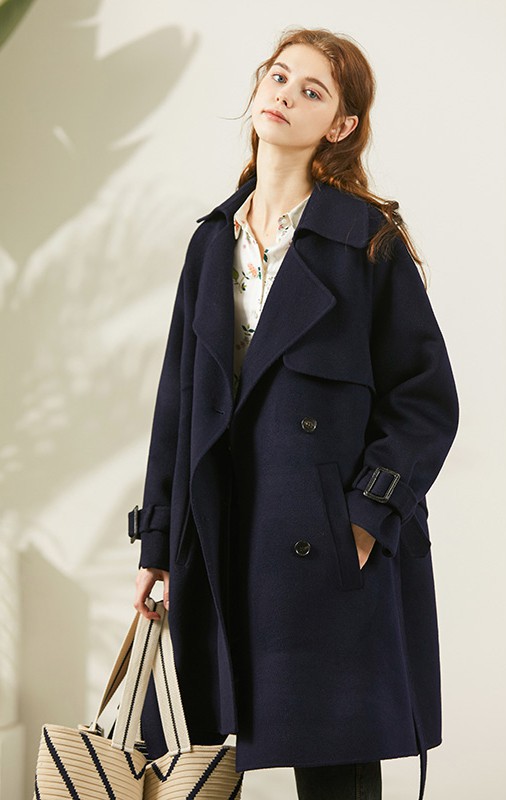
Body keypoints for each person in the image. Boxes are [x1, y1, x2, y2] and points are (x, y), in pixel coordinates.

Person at [130, 27, 459, 800]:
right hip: (220, 533)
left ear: (340, 125)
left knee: (336, 764)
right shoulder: (210, 245)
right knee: (203, 762)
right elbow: (178, 402)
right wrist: (159, 543)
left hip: (324, 546)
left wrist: (365, 519)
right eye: (278, 77)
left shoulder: (367, 241)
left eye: (311, 90)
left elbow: (425, 400)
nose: (284, 95)